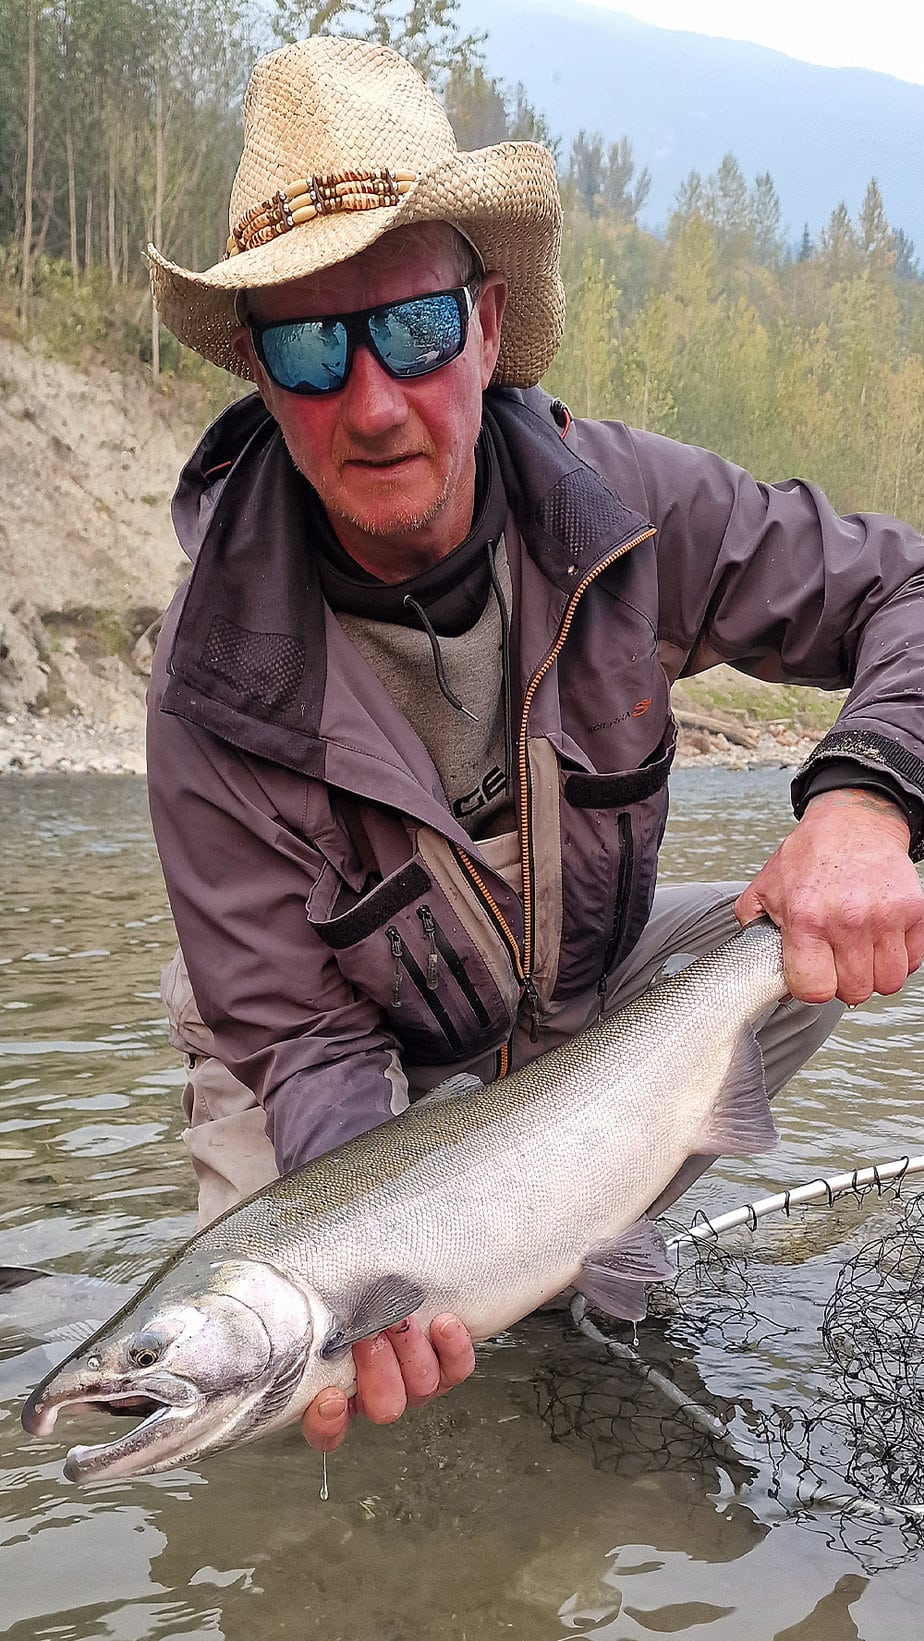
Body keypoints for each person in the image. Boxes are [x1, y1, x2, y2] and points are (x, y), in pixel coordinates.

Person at [145, 36, 924, 1456]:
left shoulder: (623, 506)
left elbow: (907, 588)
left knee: (785, 955)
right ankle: (506, 1259)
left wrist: (868, 798)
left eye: (414, 329)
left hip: (559, 982)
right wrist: (395, 1262)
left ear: (489, 324)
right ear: (260, 371)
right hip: (330, 1036)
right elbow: (310, 1045)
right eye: (314, 347)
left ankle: (583, 1242)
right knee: (286, 1400)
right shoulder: (210, 688)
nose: (372, 399)